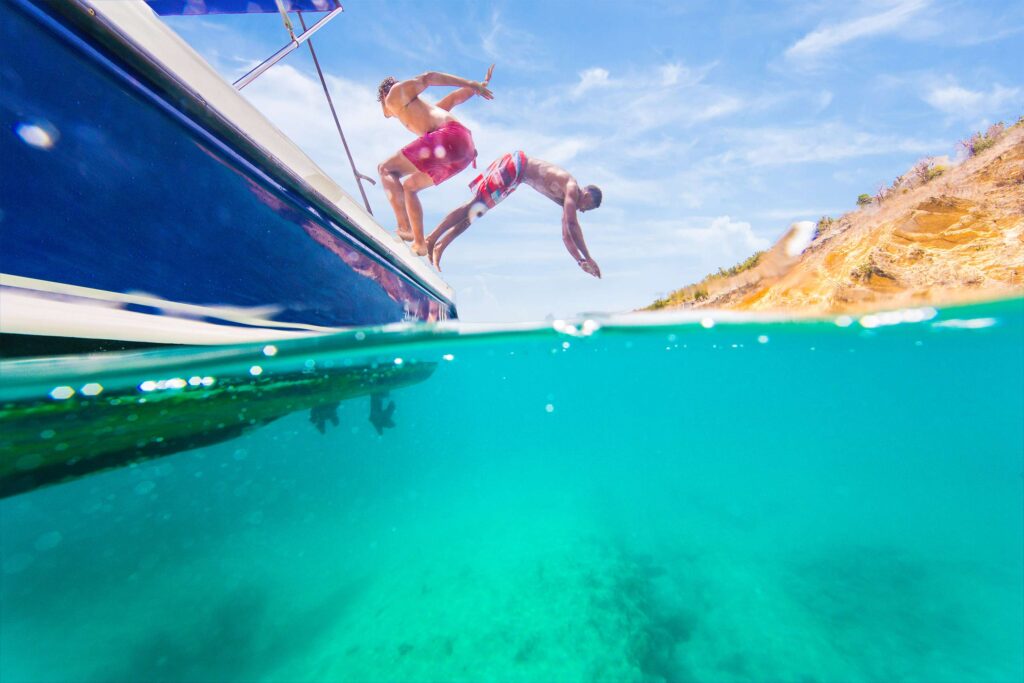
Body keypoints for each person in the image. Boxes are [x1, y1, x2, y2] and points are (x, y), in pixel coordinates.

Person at [426, 151, 603, 276]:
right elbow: (572, 225)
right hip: (515, 167)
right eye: (587, 207)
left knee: (475, 213)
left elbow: (566, 234)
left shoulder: (566, 199)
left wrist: (581, 261)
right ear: (586, 195)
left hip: (516, 178)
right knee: (473, 205)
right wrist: (587, 257)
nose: (583, 210)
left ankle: (440, 247)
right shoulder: (571, 188)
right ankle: (431, 239)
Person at [377, 66, 494, 255]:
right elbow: (454, 99)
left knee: (386, 169)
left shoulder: (394, 93)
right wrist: (478, 87)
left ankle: (404, 227)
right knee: (410, 186)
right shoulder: (428, 111)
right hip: (463, 151)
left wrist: (470, 83)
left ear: (383, 96)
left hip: (450, 137)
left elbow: (427, 77)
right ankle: (419, 243)